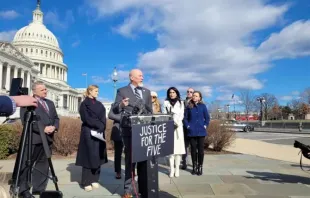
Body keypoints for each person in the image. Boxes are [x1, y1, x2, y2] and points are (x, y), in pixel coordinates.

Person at [10, 82, 59, 198]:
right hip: (33, 139)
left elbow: (56, 118)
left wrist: (54, 127)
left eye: (45, 89)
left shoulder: (50, 103)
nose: (45, 91)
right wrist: (43, 129)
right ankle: (23, 190)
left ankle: (39, 189)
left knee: (43, 165)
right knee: (26, 165)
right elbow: (26, 120)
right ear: (34, 91)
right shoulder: (27, 102)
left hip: (47, 139)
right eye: (42, 90)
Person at [112, 68, 152, 198]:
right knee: (130, 160)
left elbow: (150, 111)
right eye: (140, 75)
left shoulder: (146, 92)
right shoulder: (122, 91)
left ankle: (143, 189)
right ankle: (128, 190)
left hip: (144, 130)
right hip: (129, 130)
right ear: (132, 77)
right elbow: (115, 108)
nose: (142, 77)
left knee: (143, 161)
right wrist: (122, 105)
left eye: (142, 75)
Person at [75, 85, 108, 192]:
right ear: (90, 91)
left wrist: (102, 126)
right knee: (88, 156)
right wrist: (98, 125)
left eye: (98, 91)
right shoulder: (84, 104)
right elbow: (86, 118)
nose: (97, 93)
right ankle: (86, 181)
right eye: (96, 91)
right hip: (89, 132)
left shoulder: (99, 104)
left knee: (98, 156)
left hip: (99, 132)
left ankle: (95, 179)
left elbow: (103, 116)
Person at [183, 91, 210, 176]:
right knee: (193, 150)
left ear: (199, 98)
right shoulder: (189, 107)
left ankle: (200, 166)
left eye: (196, 96)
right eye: (193, 96)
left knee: (201, 151)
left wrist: (205, 125)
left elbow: (207, 118)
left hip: (201, 132)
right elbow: (185, 118)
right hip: (192, 132)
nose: (194, 97)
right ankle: (194, 167)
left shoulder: (203, 106)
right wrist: (188, 126)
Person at [162, 87, 185, 178]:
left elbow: (182, 114)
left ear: (176, 93)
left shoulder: (181, 103)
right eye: (170, 92)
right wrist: (171, 123)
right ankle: (171, 169)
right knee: (171, 151)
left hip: (178, 127)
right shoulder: (165, 103)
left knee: (178, 151)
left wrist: (177, 123)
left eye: (173, 92)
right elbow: (164, 114)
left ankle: (177, 169)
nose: (172, 94)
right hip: (169, 126)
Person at [108, 103, 123, 179]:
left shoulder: (132, 104)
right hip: (118, 131)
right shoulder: (115, 104)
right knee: (118, 153)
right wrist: (123, 118)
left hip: (130, 130)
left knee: (131, 154)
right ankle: (118, 171)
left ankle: (132, 171)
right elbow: (110, 115)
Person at [181, 87, 194, 170]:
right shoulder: (182, 102)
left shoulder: (196, 102)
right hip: (184, 126)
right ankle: (184, 162)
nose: (189, 93)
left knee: (193, 146)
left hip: (193, 127)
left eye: (191, 92)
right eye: (188, 91)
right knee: (184, 146)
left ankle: (194, 162)